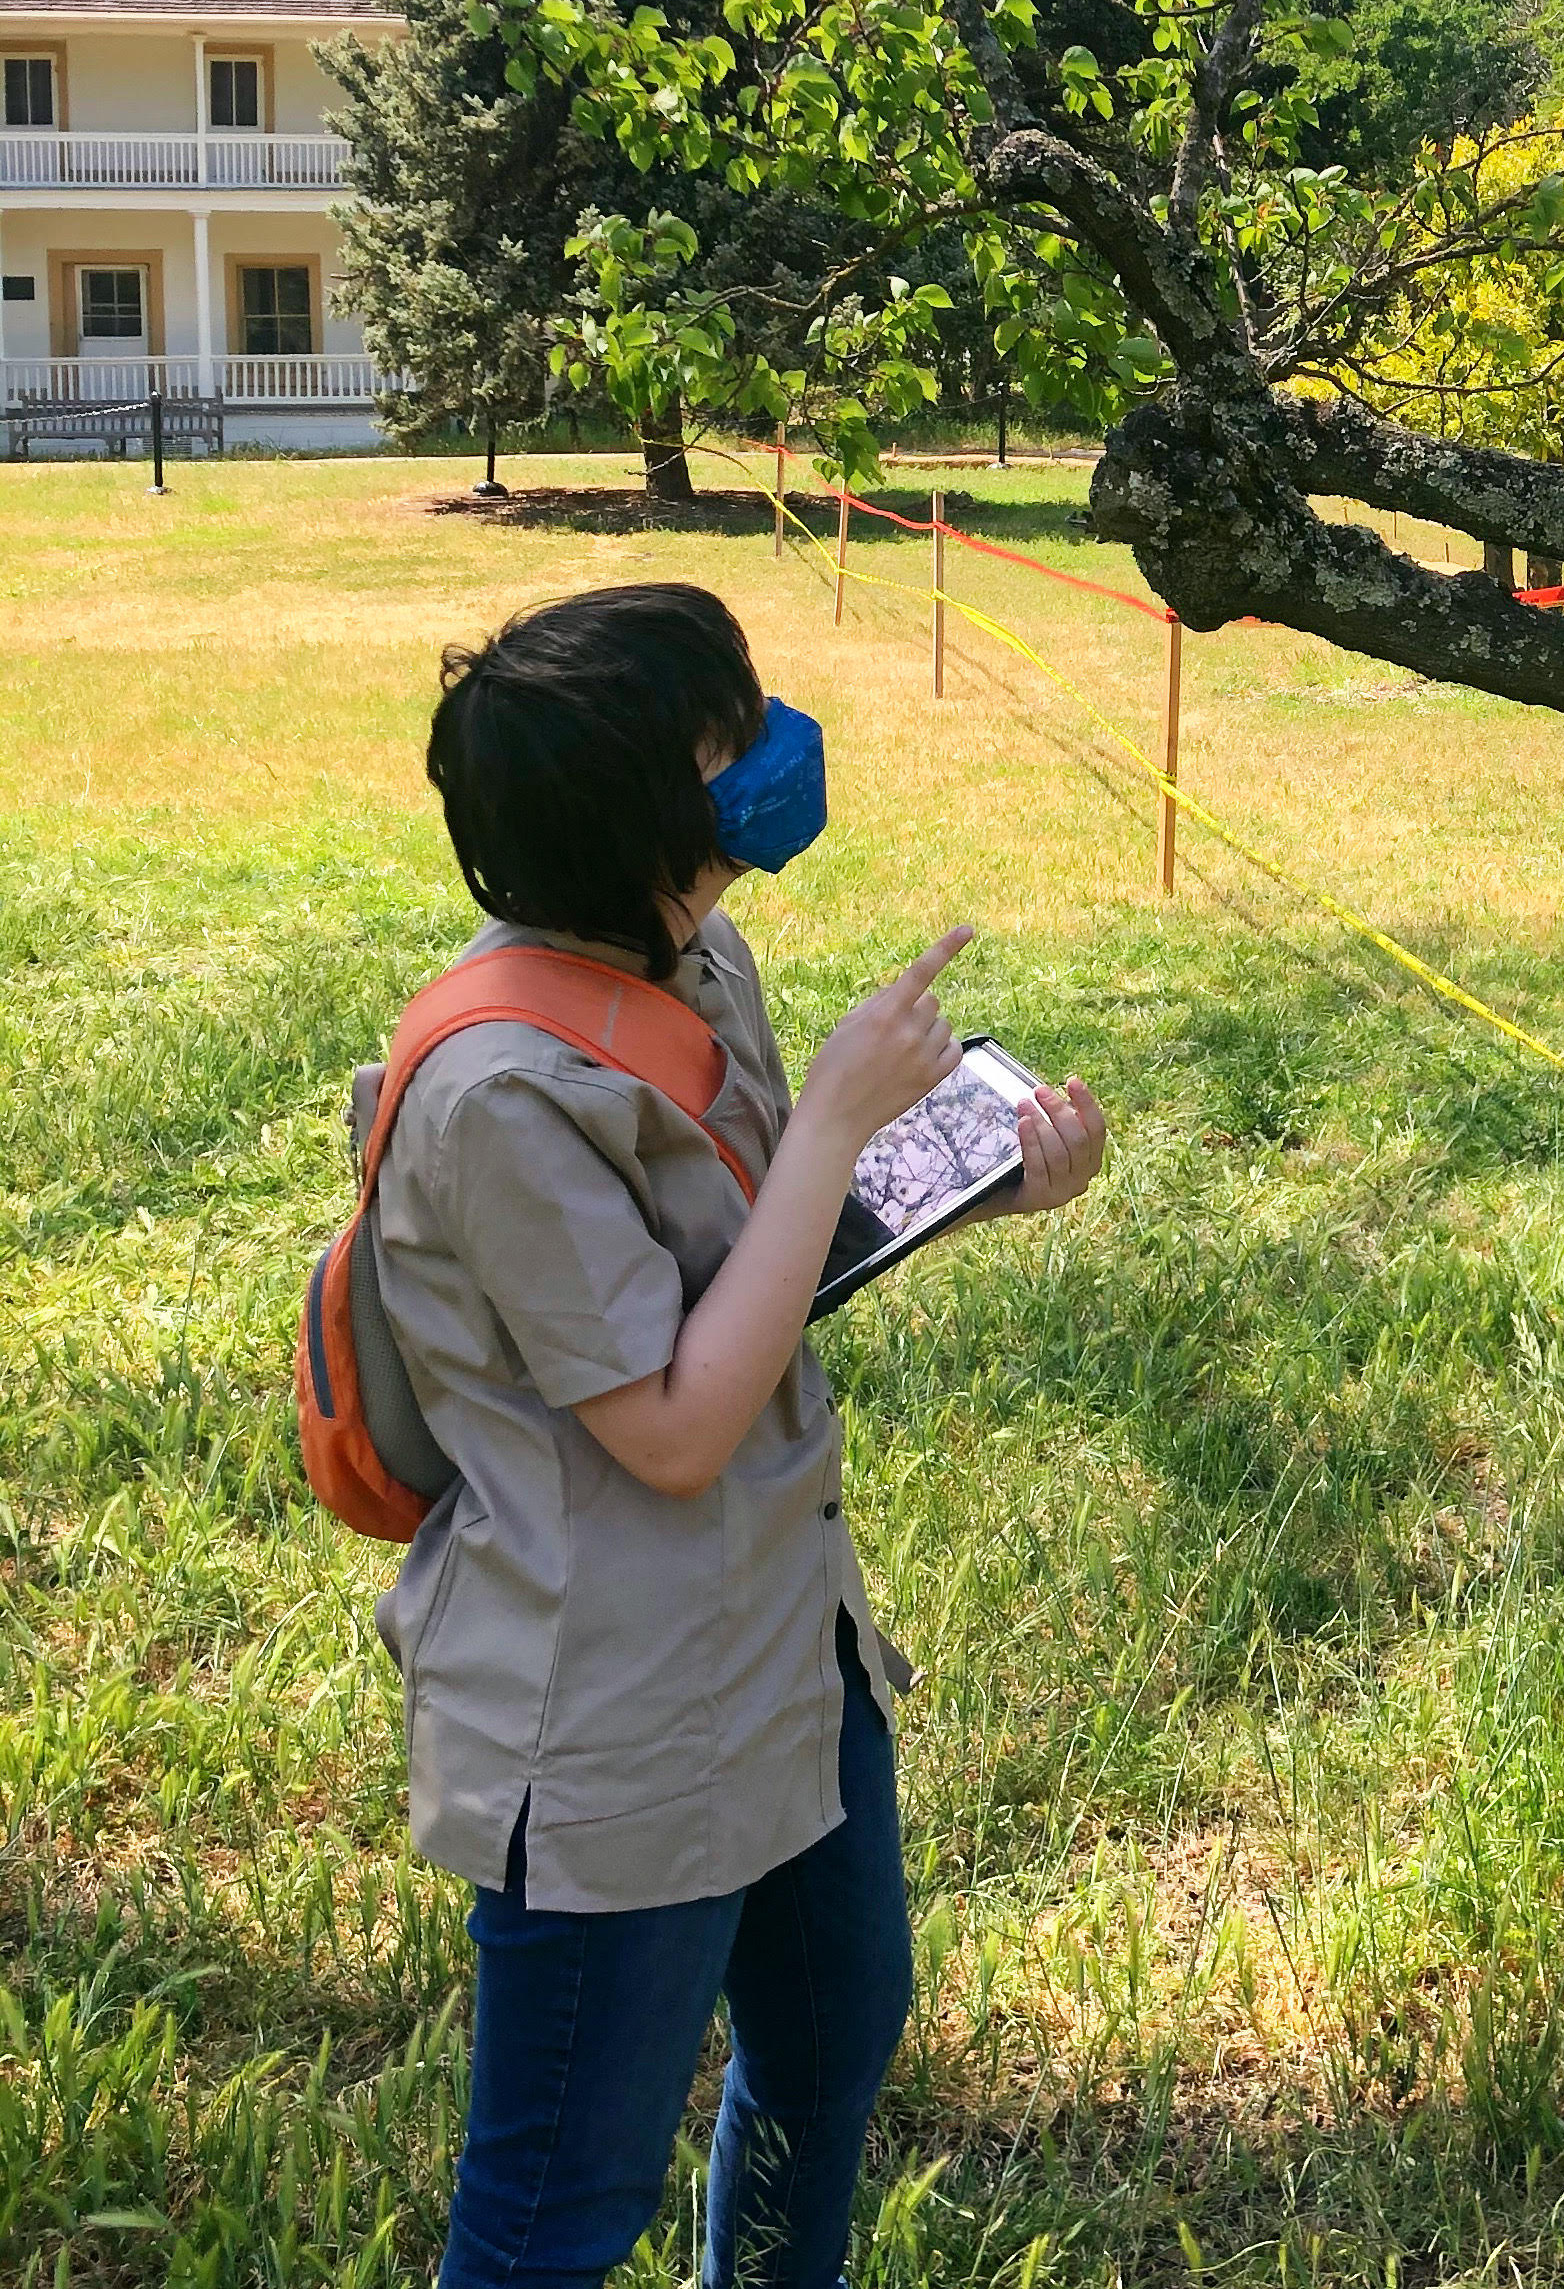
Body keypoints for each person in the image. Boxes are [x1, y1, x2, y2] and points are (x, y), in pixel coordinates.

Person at [372, 580, 1108, 2287]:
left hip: (788, 1639)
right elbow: (681, 1424)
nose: (773, 751)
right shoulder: (503, 1101)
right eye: (733, 733)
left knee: (836, 2043)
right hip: (620, 1717)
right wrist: (848, 1105)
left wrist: (961, 1178)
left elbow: (760, 1258)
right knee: (559, 2199)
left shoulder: (698, 957)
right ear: (650, 817)